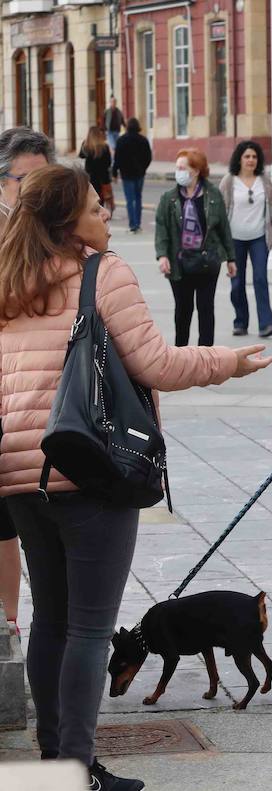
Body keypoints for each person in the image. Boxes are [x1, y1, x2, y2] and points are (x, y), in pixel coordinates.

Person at [0, 164, 271, 791]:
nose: (106, 215)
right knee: (92, 628)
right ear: (71, 221)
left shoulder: (8, 279)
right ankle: (77, 766)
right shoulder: (102, 271)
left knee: (52, 621)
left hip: (18, 473)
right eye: (96, 207)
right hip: (91, 466)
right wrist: (225, 363)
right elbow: (155, 362)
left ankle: (52, 759)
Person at [0, 126, 53, 638]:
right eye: (25, 181)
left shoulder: (57, 234)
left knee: (23, 523)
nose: (34, 193)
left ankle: (14, 626)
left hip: (39, 405)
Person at [154, 148, 235, 346]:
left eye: (183, 168)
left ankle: (205, 355)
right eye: (177, 167)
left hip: (208, 260)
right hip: (179, 262)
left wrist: (231, 259)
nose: (178, 171)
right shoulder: (169, 198)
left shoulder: (213, 194)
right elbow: (162, 228)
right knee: (183, 309)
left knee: (206, 308)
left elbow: (223, 227)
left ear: (196, 170)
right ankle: (181, 354)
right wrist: (162, 256)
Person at [220, 140, 272, 338]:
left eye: (254, 157)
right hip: (234, 240)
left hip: (259, 238)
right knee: (237, 283)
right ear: (239, 158)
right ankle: (240, 322)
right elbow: (218, 212)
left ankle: (266, 324)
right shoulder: (229, 181)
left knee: (260, 279)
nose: (251, 160)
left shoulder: (264, 180)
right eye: (247, 156)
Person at [113, 118, 152, 234]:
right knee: (138, 197)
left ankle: (132, 225)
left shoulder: (121, 140)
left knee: (130, 200)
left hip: (126, 174)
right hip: (139, 173)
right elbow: (148, 157)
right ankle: (138, 224)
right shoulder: (143, 140)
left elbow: (117, 159)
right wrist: (143, 168)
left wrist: (115, 173)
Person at [77, 127, 114, 215]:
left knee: (91, 197)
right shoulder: (104, 146)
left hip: (90, 177)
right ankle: (102, 213)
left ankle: (94, 214)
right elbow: (108, 163)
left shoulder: (86, 145)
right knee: (103, 197)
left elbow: (81, 156)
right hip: (103, 177)